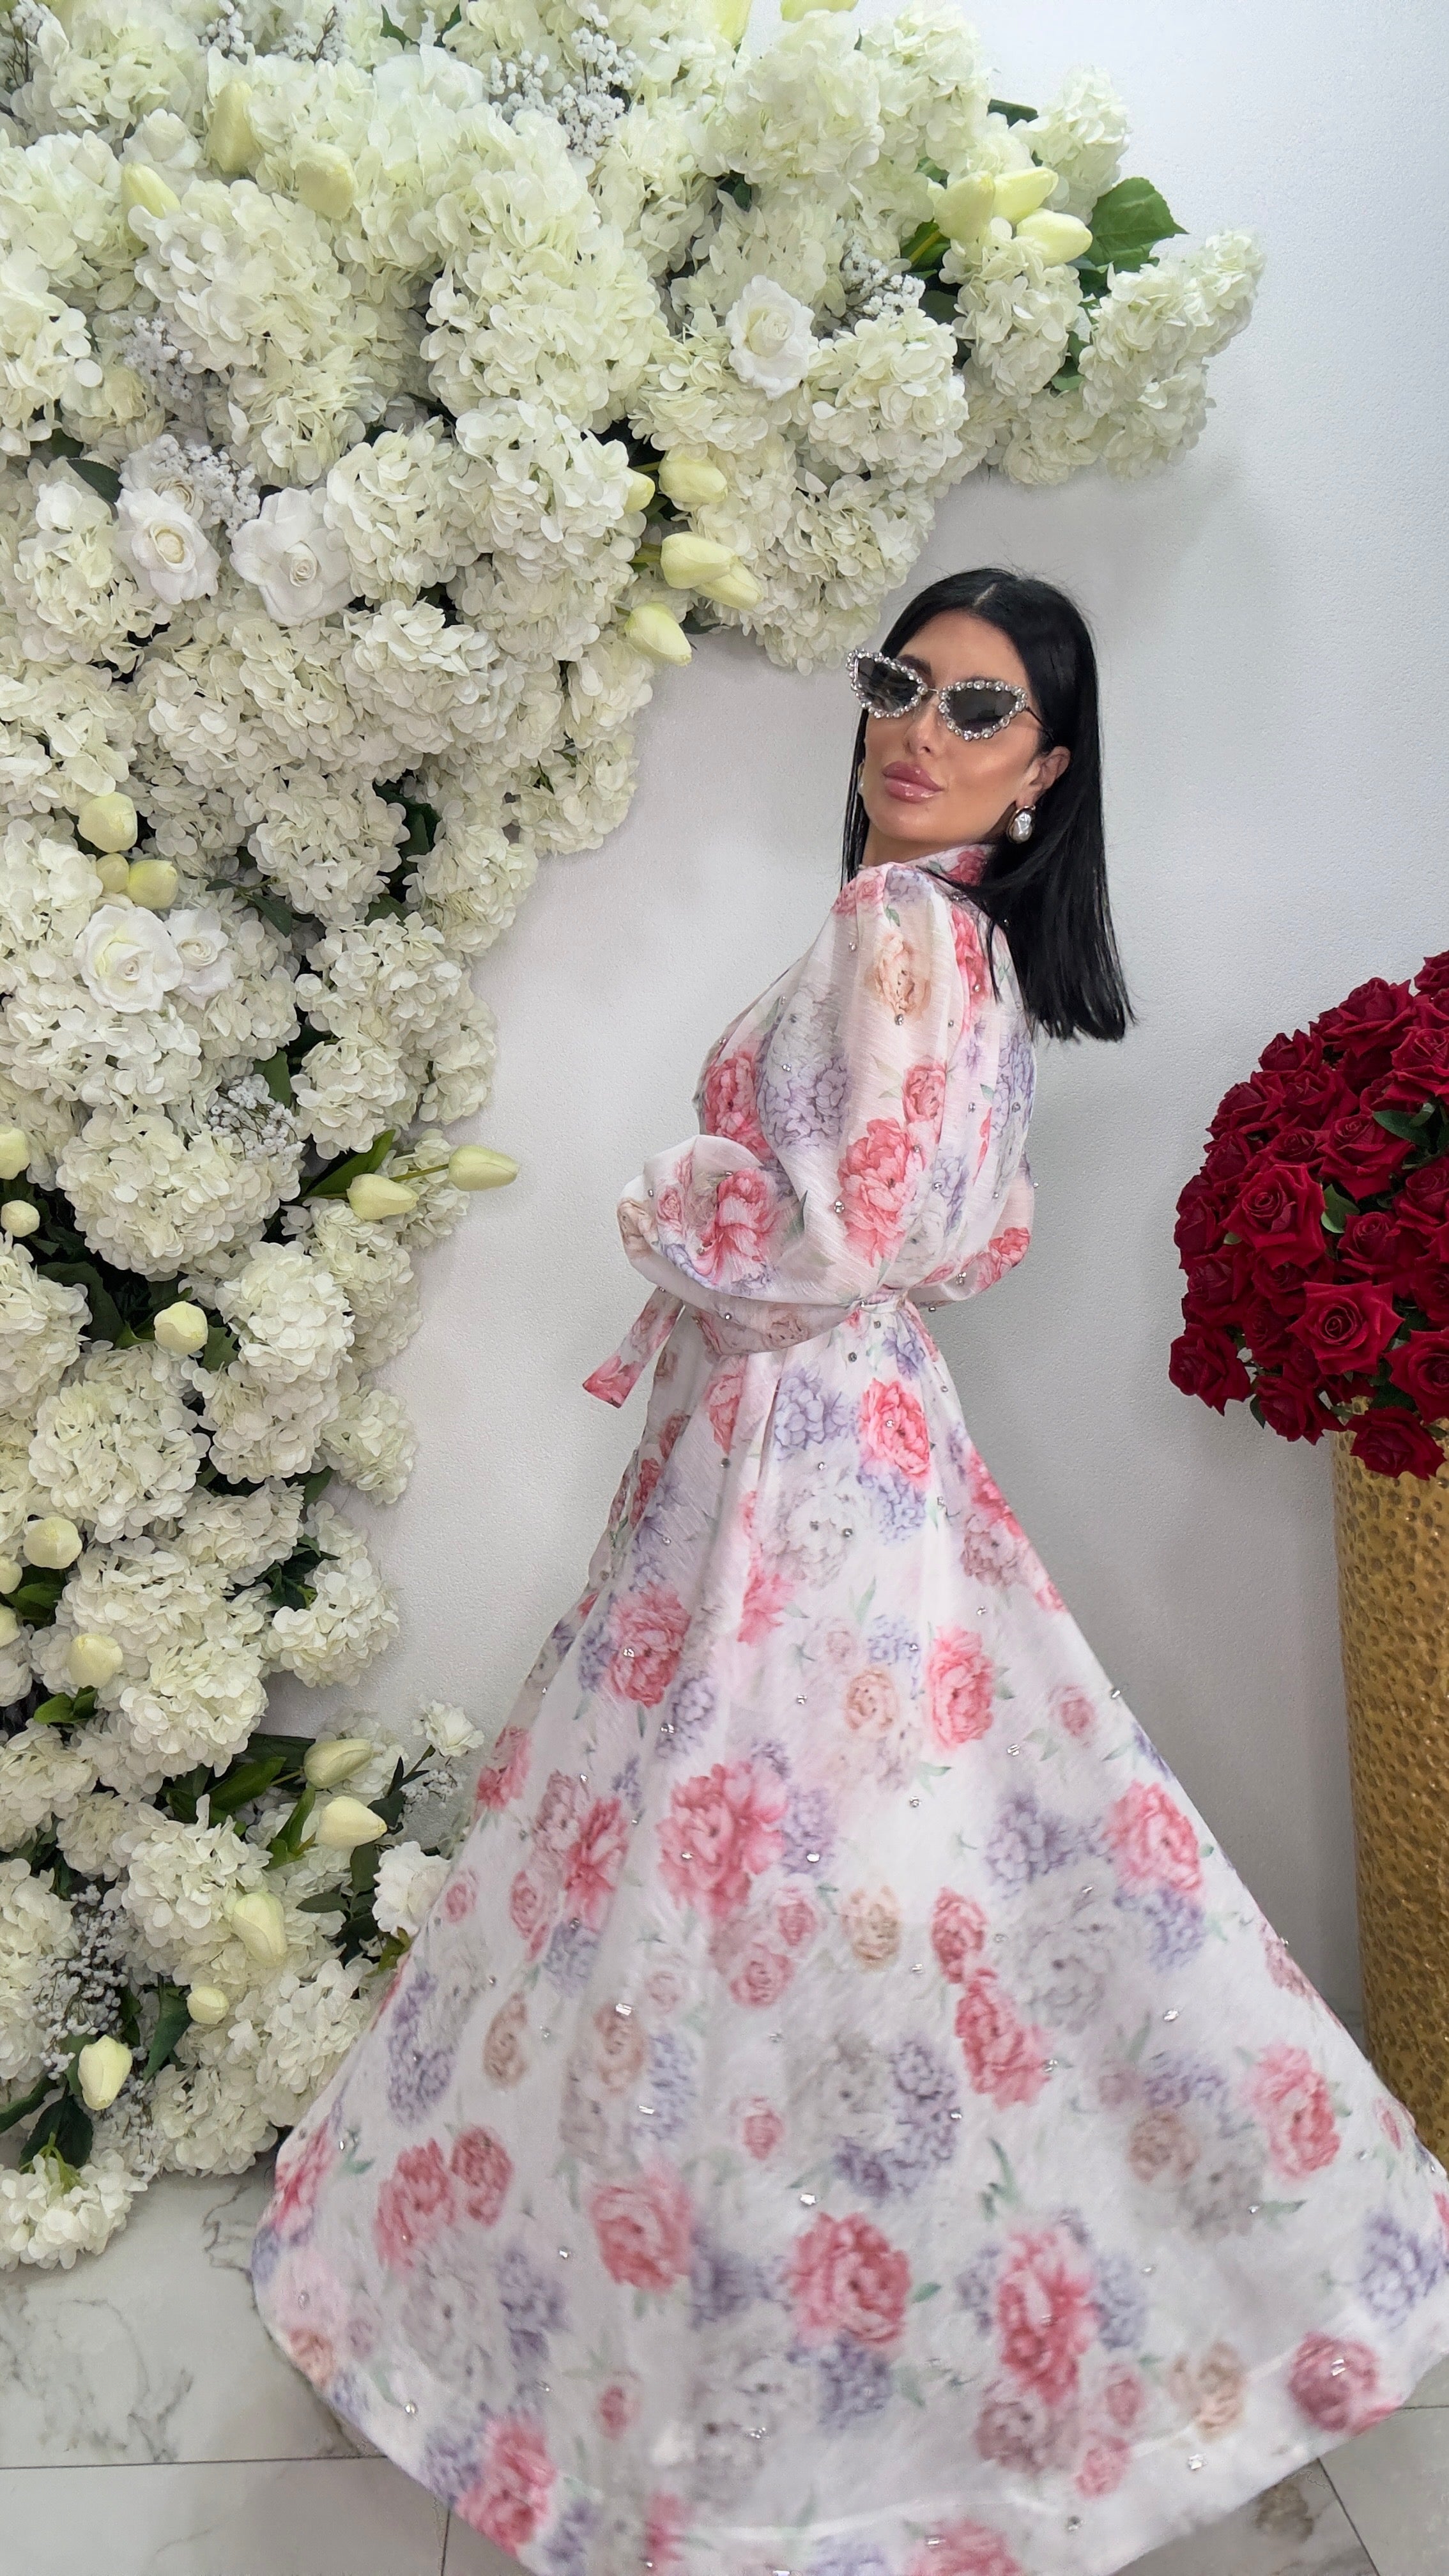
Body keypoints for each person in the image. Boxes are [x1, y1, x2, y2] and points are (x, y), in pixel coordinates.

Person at [250, 568, 1449, 2576]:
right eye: (902, 683)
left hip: (799, 1434)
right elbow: (947, 1227)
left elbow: (857, 1226)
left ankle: (768, 2351)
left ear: (1044, 770)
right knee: (870, 1852)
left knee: (767, 1859)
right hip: (829, 1423)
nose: (917, 728)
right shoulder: (955, 941)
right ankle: (882, 2316)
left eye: (978, 709)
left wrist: (669, 1198)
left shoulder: (902, 933)